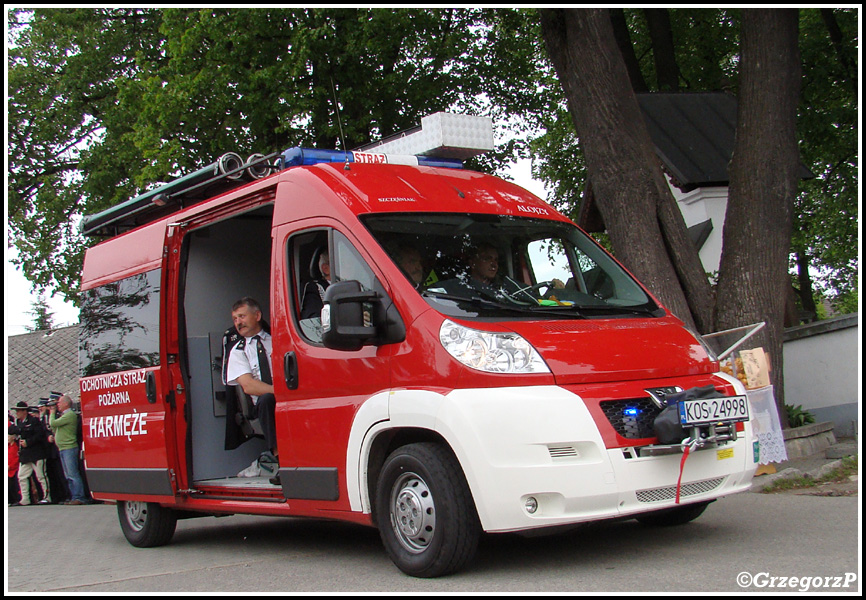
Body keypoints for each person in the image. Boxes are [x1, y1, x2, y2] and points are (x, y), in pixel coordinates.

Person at [225, 297, 279, 483]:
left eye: (242, 316)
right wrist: (280, 393)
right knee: (267, 400)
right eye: (235, 319)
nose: (238, 322)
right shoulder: (238, 351)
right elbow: (248, 385)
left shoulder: (278, 340)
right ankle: (281, 461)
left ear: (257, 316)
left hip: (290, 395)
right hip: (264, 404)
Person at [48, 395, 87, 505]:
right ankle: (73, 495)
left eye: (59, 402)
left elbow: (53, 423)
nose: (57, 405)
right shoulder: (63, 416)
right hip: (62, 448)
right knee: (67, 475)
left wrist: (51, 414)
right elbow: (54, 428)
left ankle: (79, 496)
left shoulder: (70, 415)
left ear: (66, 403)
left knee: (73, 474)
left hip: (69, 447)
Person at [13, 401, 52, 505]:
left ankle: (47, 497)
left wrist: (28, 442)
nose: (16, 413)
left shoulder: (34, 421)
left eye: (18, 411)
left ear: (24, 411)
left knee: (41, 476)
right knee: (21, 476)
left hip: (36, 453)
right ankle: (25, 498)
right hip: (25, 456)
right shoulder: (19, 423)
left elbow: (39, 435)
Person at [300, 250, 331, 319]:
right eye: (344, 263)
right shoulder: (314, 289)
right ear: (326, 269)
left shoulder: (356, 285)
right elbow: (313, 320)